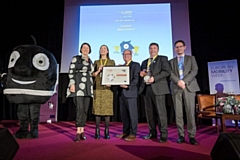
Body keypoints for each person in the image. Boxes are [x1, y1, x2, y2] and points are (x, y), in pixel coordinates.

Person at [169, 40, 200, 145]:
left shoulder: (191, 59)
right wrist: (178, 81)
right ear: (174, 49)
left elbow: (194, 71)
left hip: (189, 87)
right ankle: (181, 135)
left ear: (185, 47)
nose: (179, 48)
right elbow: (170, 74)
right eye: (177, 47)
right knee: (178, 113)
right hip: (176, 88)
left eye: (181, 46)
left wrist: (184, 81)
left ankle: (192, 136)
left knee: (190, 112)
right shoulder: (171, 61)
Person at [138, 43, 171, 143]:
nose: (152, 50)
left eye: (154, 48)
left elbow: (167, 71)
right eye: (151, 48)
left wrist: (154, 78)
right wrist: (141, 74)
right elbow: (143, 73)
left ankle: (163, 134)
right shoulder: (144, 62)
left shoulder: (163, 59)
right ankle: (152, 132)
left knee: (161, 113)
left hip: (158, 89)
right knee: (149, 113)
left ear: (158, 49)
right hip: (147, 89)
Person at [66, 42, 94, 142]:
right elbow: (71, 71)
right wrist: (72, 84)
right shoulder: (76, 58)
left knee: (85, 110)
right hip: (78, 86)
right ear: (81, 49)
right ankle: (77, 132)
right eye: (84, 47)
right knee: (80, 108)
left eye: (87, 48)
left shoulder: (91, 61)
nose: (85, 49)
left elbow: (92, 73)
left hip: (88, 87)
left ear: (89, 50)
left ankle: (82, 131)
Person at [116, 49, 140, 141]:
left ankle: (133, 133)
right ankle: (125, 132)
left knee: (133, 115)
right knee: (124, 115)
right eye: (124, 54)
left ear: (131, 55)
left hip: (131, 93)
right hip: (122, 93)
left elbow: (136, 79)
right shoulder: (121, 66)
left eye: (128, 54)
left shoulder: (135, 65)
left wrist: (128, 86)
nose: (126, 56)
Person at [92, 45, 115, 139]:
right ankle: (97, 131)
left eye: (104, 49)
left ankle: (106, 131)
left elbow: (114, 74)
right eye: (101, 49)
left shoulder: (111, 62)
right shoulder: (96, 62)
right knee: (97, 110)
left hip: (107, 89)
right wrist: (98, 70)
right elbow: (92, 75)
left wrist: (111, 83)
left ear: (108, 51)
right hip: (97, 88)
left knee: (107, 111)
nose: (103, 50)